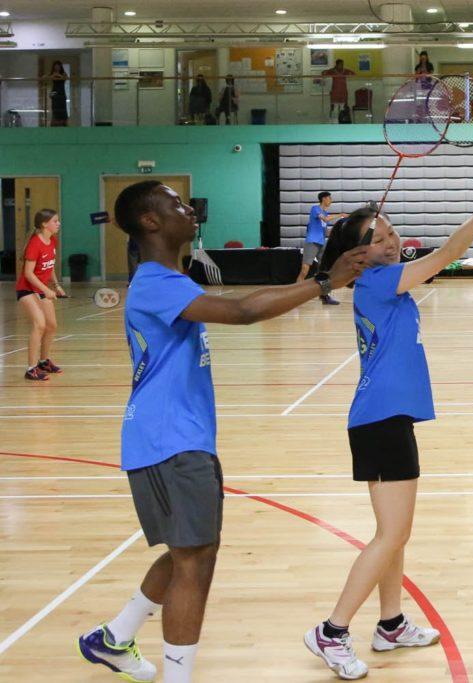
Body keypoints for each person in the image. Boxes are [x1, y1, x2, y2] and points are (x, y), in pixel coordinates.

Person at [76, 180, 369, 683]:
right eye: (177, 204)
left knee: (190, 550)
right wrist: (324, 283)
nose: (190, 209)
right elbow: (242, 311)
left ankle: (114, 638)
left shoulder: (169, 279)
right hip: (170, 438)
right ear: (150, 222)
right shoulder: (155, 282)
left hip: (173, 436)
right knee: (196, 561)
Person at [304, 197, 473, 680]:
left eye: (391, 232)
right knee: (391, 534)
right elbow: (444, 257)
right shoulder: (378, 281)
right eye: (378, 240)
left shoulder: (385, 286)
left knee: (395, 534)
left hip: (389, 418)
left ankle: (391, 624)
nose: (392, 241)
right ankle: (332, 631)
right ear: (358, 257)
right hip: (379, 420)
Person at [15, 209, 66, 381]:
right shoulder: (35, 244)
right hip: (27, 289)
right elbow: (28, 274)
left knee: (51, 325)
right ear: (45, 224)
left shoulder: (52, 240)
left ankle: (44, 362)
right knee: (40, 324)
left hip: (41, 288)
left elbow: (49, 265)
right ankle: (31, 369)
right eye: (55, 221)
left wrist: (56, 285)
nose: (58, 224)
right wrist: (45, 290)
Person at [297, 191, 348, 303]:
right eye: (329, 198)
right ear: (324, 199)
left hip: (321, 243)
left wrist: (341, 232)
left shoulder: (325, 213)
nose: (331, 200)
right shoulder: (315, 209)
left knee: (324, 270)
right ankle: (295, 294)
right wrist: (341, 215)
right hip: (312, 242)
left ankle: (325, 296)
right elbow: (325, 219)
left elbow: (326, 232)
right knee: (305, 269)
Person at [48, 61, 69, 127]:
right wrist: (54, 75)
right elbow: (46, 78)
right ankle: (55, 124)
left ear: (60, 67)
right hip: (55, 93)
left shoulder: (63, 74)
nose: (57, 67)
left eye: (58, 66)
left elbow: (66, 78)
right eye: (55, 66)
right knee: (55, 110)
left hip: (62, 94)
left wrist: (59, 75)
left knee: (63, 111)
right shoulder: (52, 74)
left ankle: (63, 124)